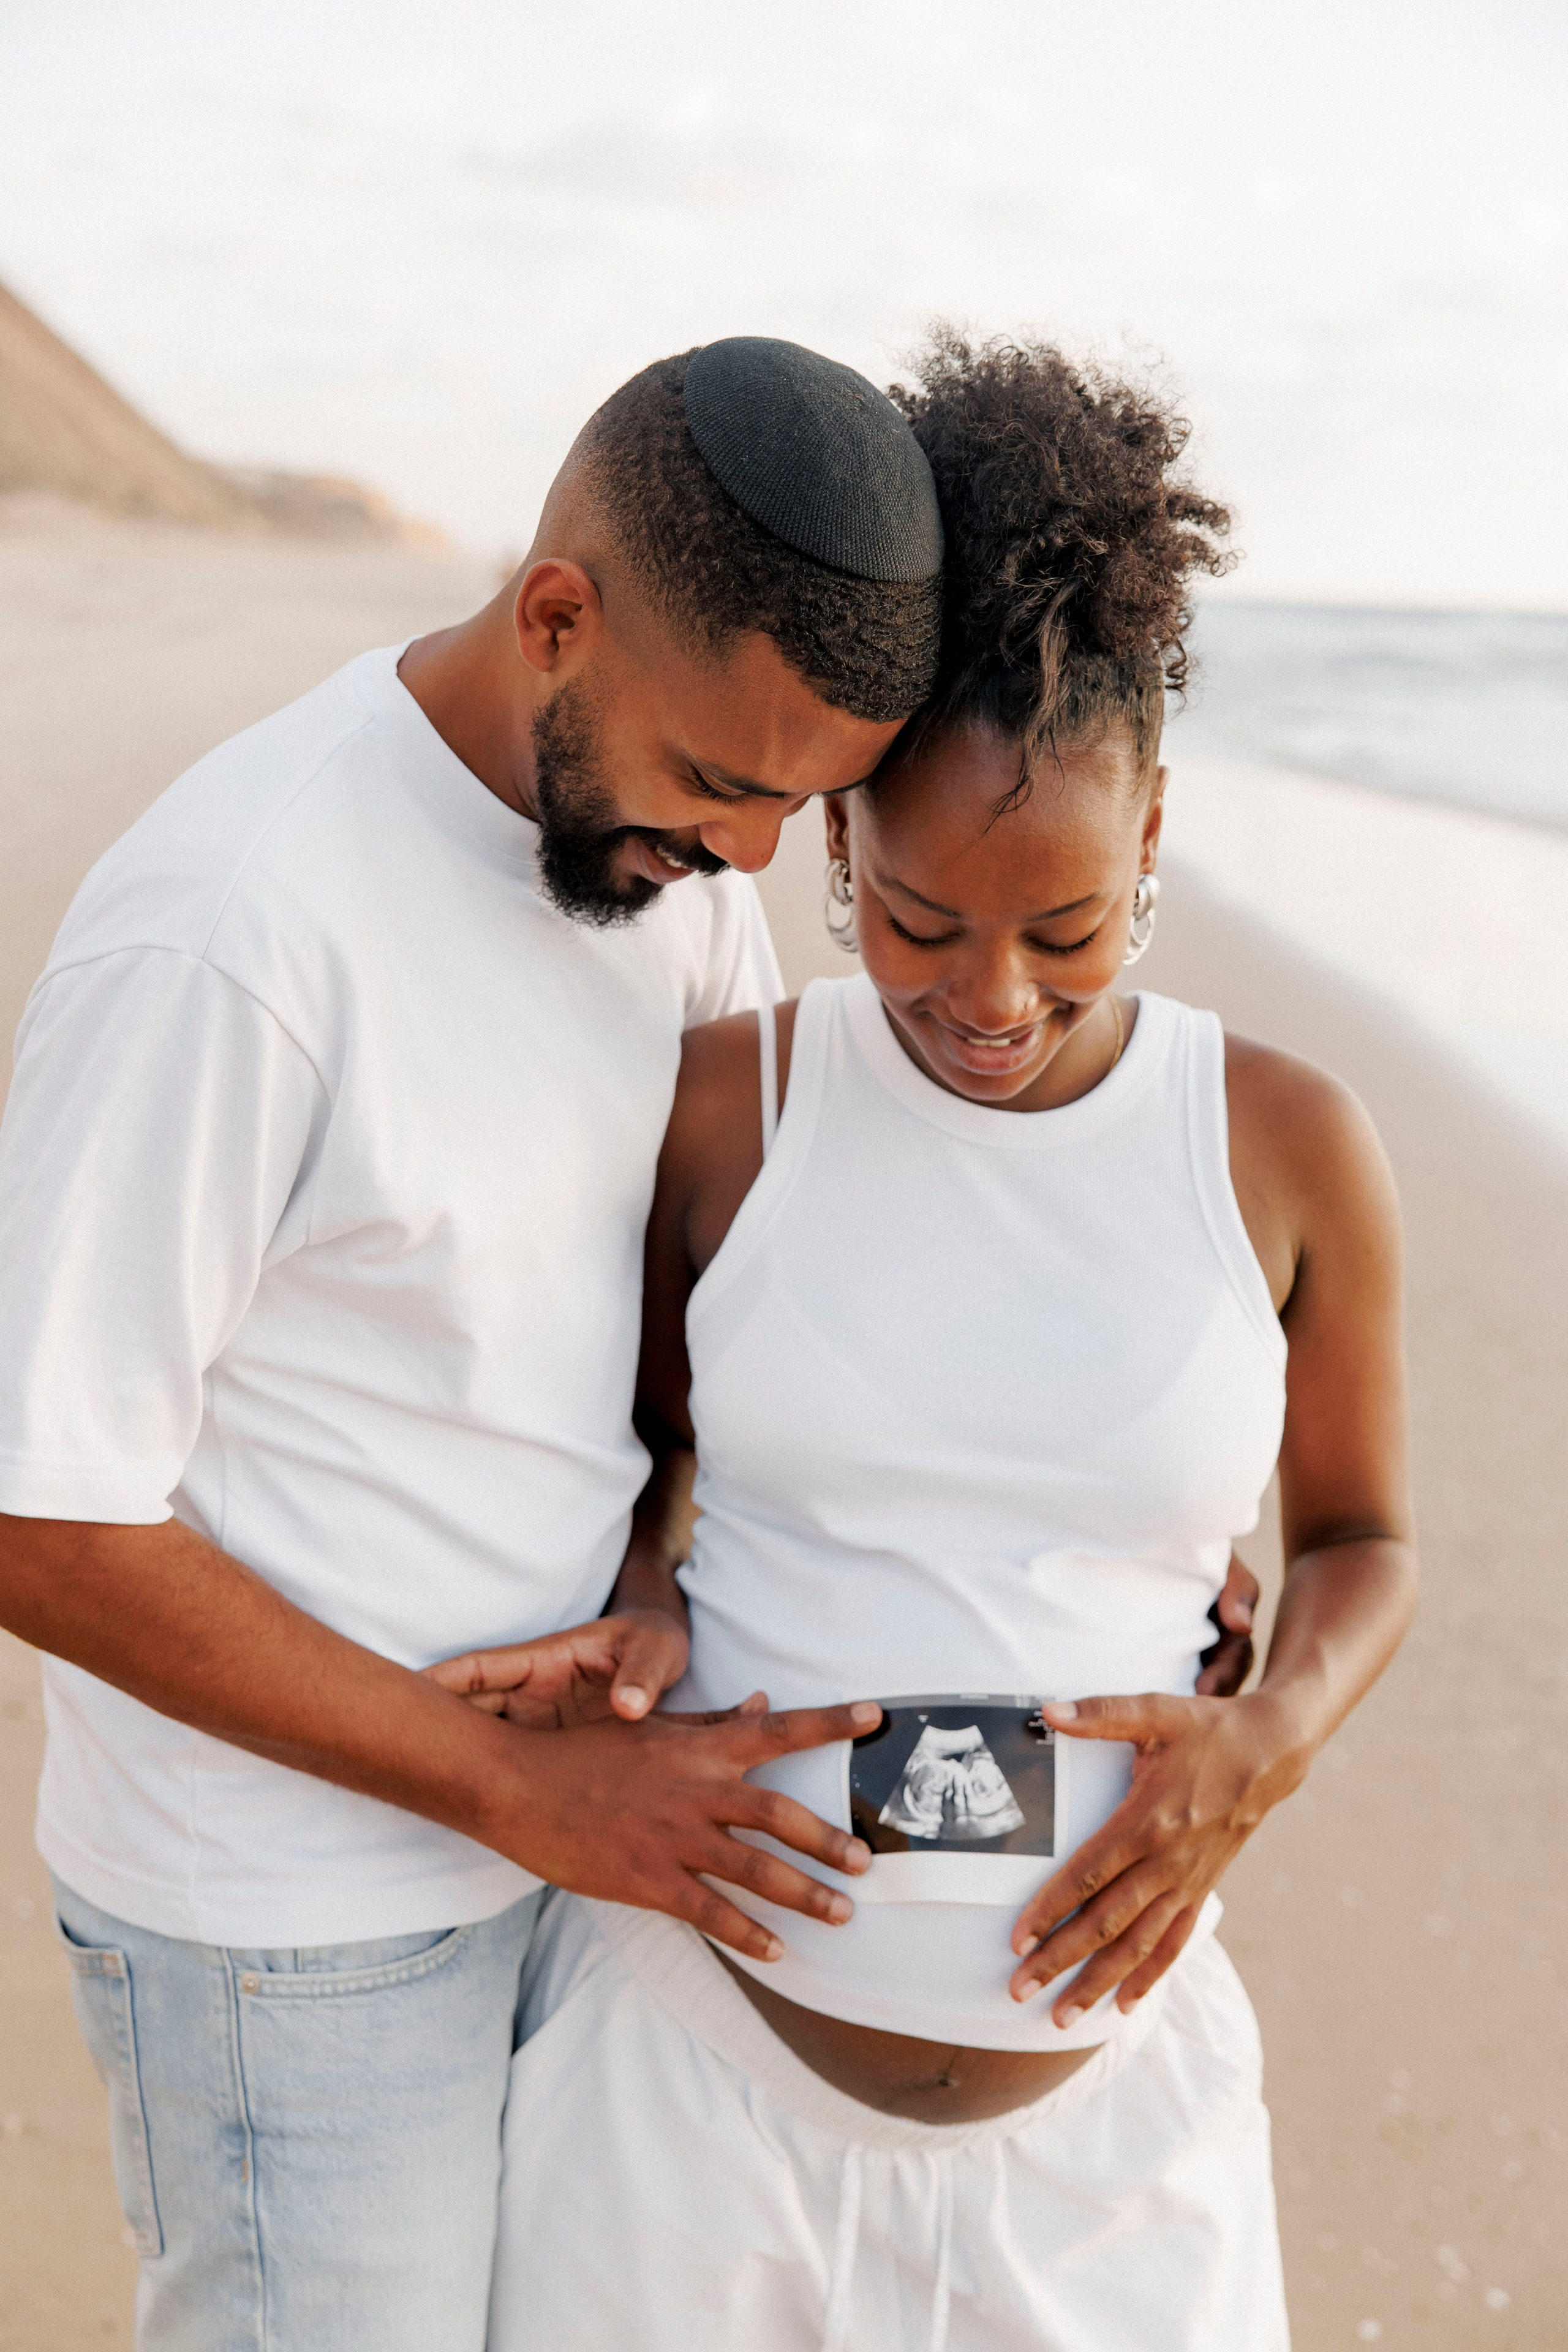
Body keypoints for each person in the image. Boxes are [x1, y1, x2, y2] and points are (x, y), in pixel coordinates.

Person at [0, 337, 952, 2349]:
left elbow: (673, 1308)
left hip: (563, 1857)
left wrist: (648, 1570)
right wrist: (518, 1795)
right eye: (723, 784)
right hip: (287, 1928)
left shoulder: (672, 873)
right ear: (553, 618)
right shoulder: (235, 927)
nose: (757, 863)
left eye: (807, 806)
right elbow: (37, 1515)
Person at [472, 334, 1417, 2350]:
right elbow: (630, 1456)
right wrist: (642, 1593)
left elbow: (1363, 1544)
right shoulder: (735, 1110)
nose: (990, 995)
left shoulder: (1287, 1148)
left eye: (1066, 933)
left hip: (1111, 2170)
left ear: (1156, 828)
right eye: (914, 922)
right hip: (689, 2120)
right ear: (833, 843)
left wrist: (1270, 1737)